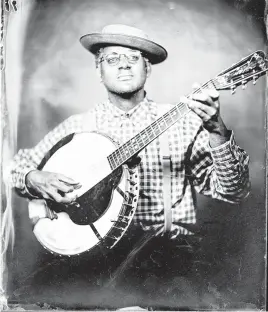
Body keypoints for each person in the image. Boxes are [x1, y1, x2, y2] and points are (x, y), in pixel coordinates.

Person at [5, 24, 250, 308]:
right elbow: (13, 169)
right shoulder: (78, 127)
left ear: (147, 68)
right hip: (92, 261)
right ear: (99, 71)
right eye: (112, 59)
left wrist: (216, 129)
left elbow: (235, 191)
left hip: (166, 258)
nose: (123, 65)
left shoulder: (184, 122)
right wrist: (34, 178)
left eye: (133, 58)